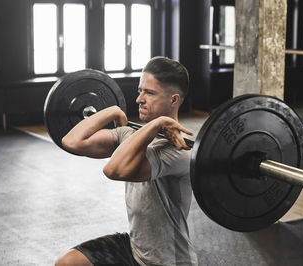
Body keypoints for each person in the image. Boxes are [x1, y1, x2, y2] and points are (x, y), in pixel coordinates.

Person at [56, 56, 198, 266]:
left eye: (149, 93)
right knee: (69, 263)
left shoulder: (180, 149)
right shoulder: (131, 134)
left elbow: (114, 170)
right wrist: (112, 111)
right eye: (140, 91)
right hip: (135, 249)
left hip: (168, 260)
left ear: (174, 100)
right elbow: (72, 141)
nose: (140, 99)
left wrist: (156, 124)